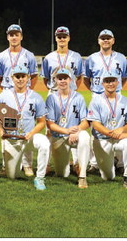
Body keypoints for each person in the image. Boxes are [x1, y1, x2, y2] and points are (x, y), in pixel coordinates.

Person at [0, 65, 50, 190]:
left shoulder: (36, 97)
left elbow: (41, 122)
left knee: (44, 143)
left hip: (29, 138)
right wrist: (1, 130)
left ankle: (40, 178)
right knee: (12, 176)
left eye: (23, 76)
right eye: (17, 76)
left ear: (28, 77)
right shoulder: (4, 96)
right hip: (12, 139)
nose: (20, 79)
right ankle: (15, 167)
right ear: (12, 78)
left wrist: (32, 133)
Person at [0, 24, 39, 176]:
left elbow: (33, 75)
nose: (14, 37)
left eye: (16, 34)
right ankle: (7, 164)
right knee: (7, 128)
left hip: (25, 92)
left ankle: (27, 164)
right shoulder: (1, 56)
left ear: (21, 36)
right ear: (7, 37)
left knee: (26, 125)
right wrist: (6, 92)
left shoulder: (29, 55)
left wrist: (27, 90)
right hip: (8, 92)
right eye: (11, 34)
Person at [84, 29, 127, 173]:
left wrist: (116, 89)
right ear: (98, 41)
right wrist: (95, 91)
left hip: (116, 95)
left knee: (118, 126)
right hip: (97, 94)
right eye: (103, 38)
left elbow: (125, 78)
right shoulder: (91, 58)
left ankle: (120, 162)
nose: (106, 40)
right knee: (95, 129)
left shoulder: (121, 58)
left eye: (108, 38)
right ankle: (94, 163)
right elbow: (86, 79)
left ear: (113, 40)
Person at [41, 26, 84, 174]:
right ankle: (46, 164)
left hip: (71, 95)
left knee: (75, 127)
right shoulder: (49, 57)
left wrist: (71, 90)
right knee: (50, 130)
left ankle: (77, 163)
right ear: (56, 38)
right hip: (53, 94)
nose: (62, 39)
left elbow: (80, 77)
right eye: (59, 36)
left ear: (69, 38)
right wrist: (55, 90)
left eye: (64, 36)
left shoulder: (76, 56)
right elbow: (46, 78)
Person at [87, 70, 127, 189]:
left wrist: (122, 130)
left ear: (117, 82)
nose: (110, 84)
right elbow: (96, 125)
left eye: (113, 81)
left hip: (119, 139)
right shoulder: (96, 101)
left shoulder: (125, 101)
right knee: (108, 177)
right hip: (102, 139)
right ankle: (110, 162)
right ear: (102, 83)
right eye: (107, 81)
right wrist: (112, 133)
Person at [45, 68, 90, 188]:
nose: (62, 81)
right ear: (55, 80)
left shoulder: (78, 97)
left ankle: (82, 176)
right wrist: (67, 131)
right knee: (62, 174)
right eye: (60, 78)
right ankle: (68, 164)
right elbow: (50, 124)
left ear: (70, 80)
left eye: (65, 78)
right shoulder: (51, 98)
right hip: (59, 138)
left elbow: (86, 121)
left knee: (85, 137)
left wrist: (77, 131)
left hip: (75, 136)